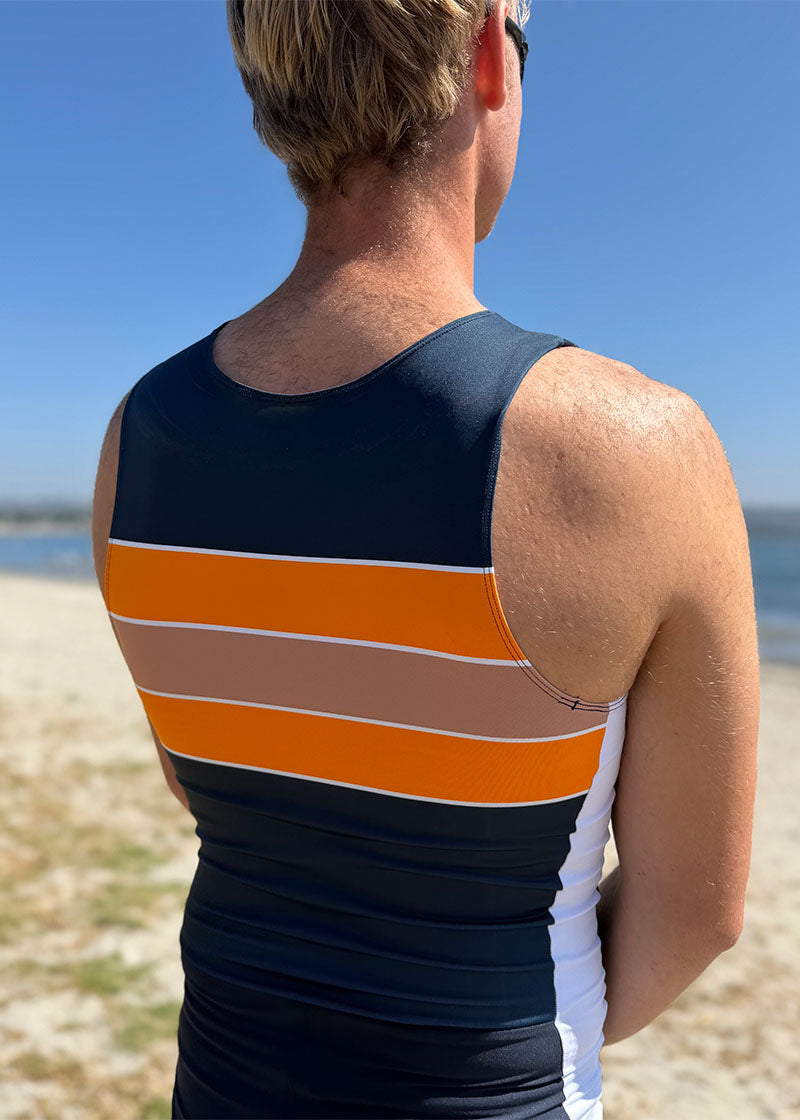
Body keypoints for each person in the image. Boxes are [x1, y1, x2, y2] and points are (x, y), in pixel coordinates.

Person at [90, 1, 759, 1116]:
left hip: (220, 1079)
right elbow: (695, 912)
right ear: (490, 53)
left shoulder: (142, 436)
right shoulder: (633, 449)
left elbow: (216, 788)